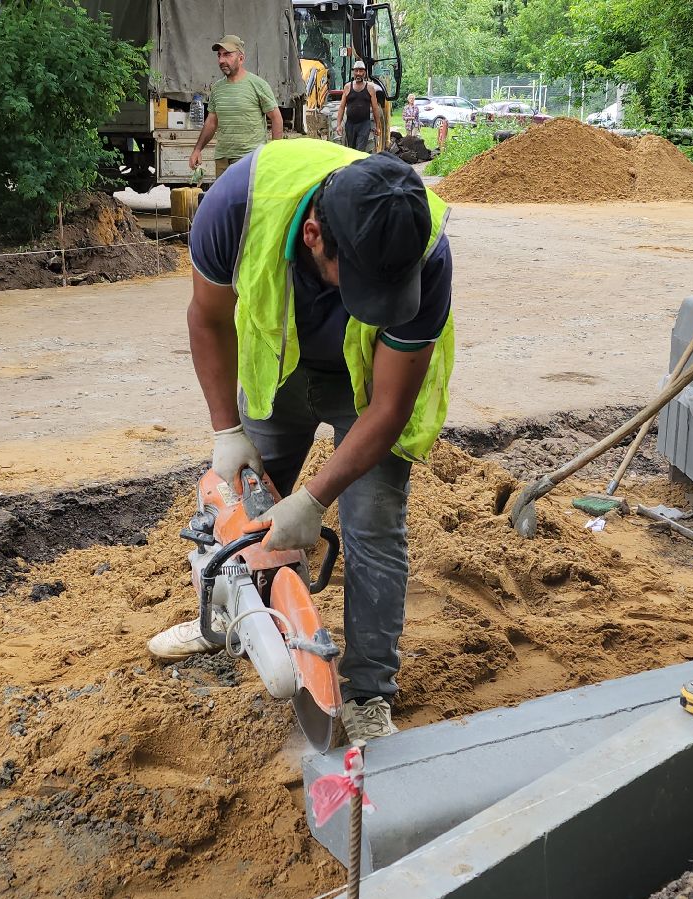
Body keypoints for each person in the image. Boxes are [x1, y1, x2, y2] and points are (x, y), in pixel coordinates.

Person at [145, 140, 458, 743]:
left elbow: (390, 407)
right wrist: (226, 431)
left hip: (369, 384)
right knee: (245, 507)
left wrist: (315, 500)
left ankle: (368, 694)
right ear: (313, 234)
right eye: (360, 285)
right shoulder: (236, 207)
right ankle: (226, 618)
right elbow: (207, 318)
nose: (373, 304)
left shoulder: (424, 248)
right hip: (279, 366)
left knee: (373, 522)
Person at [189, 34, 283, 178]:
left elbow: (276, 118)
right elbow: (211, 122)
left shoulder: (258, 85)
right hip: (223, 160)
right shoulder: (217, 88)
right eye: (219, 55)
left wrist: (275, 153)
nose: (221, 60)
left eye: (227, 55)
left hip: (249, 159)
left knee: (247, 200)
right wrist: (197, 149)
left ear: (241, 58)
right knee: (224, 201)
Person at [335, 60, 387, 152]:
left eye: (361, 71)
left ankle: (359, 165)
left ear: (365, 73)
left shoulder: (370, 88)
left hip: (364, 124)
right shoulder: (347, 87)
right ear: (353, 72)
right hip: (350, 124)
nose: (358, 73)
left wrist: (378, 126)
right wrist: (338, 125)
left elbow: (375, 108)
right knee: (351, 149)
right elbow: (342, 107)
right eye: (356, 71)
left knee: (360, 150)